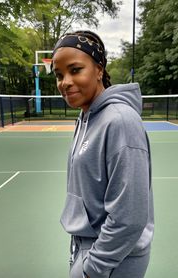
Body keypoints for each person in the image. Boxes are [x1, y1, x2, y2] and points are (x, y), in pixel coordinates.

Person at [52, 30, 154, 278]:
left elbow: (129, 217)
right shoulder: (85, 116)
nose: (65, 82)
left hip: (113, 259)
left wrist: (92, 268)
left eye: (75, 70)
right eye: (59, 75)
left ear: (99, 70)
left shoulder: (119, 121)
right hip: (88, 247)